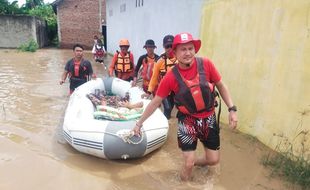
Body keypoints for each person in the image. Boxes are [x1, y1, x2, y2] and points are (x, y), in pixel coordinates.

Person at [132, 32, 238, 181]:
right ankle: (183, 181)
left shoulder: (206, 64)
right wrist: (139, 123)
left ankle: (193, 163)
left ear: (195, 50)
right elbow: (156, 102)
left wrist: (232, 109)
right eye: (183, 49)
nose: (188, 53)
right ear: (174, 52)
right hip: (187, 121)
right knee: (188, 164)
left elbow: (221, 85)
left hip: (209, 119)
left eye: (190, 48)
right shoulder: (170, 77)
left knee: (213, 160)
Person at [145, 35, 177, 119]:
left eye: (171, 46)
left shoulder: (180, 59)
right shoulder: (159, 61)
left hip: (175, 91)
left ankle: (167, 121)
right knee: (167, 108)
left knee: (171, 109)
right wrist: (149, 92)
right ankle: (165, 124)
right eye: (167, 46)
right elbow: (154, 78)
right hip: (164, 89)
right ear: (163, 47)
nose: (169, 48)